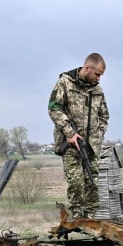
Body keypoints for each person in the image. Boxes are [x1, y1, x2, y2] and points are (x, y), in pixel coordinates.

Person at [48, 52, 109, 219]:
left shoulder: (97, 90)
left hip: (91, 147)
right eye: (97, 74)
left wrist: (98, 136)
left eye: (101, 75)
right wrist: (70, 133)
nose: (99, 78)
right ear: (87, 68)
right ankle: (77, 218)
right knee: (76, 184)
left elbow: (104, 116)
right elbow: (54, 108)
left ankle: (90, 219)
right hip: (70, 146)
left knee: (92, 184)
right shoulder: (65, 83)